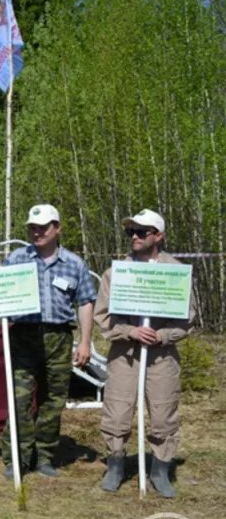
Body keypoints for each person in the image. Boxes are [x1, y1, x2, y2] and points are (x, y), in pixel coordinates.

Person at [94, 209, 195, 498]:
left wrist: (162, 335)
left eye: (141, 232)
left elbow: (187, 319)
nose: (134, 237)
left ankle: (160, 471)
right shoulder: (116, 273)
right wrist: (129, 331)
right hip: (125, 354)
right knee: (117, 410)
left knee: (164, 414)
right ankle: (115, 466)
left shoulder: (176, 273)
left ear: (158, 236)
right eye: (131, 232)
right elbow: (103, 317)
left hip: (162, 356)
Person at [0, 204, 97, 479]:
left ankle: (44, 456)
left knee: (53, 401)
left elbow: (85, 302)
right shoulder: (16, 259)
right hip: (23, 335)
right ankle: (17, 458)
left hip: (59, 337)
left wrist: (85, 342)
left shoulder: (74, 263)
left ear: (57, 228)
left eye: (43, 228)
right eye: (32, 228)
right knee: (18, 400)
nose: (37, 232)